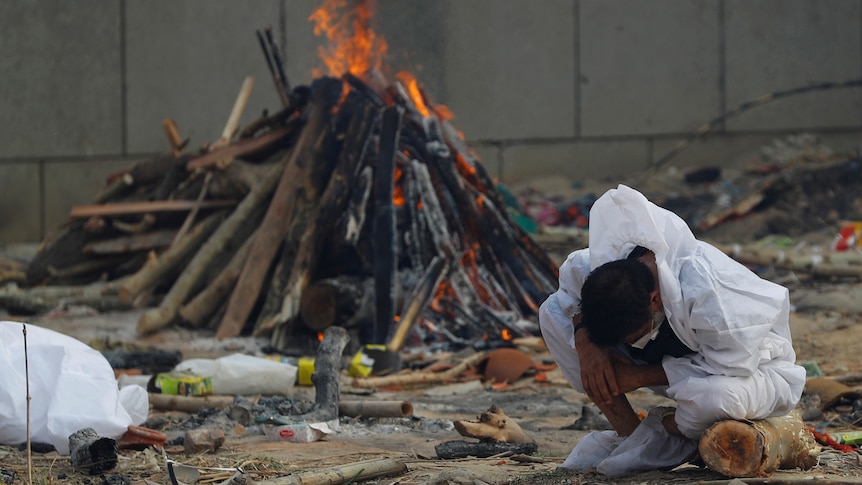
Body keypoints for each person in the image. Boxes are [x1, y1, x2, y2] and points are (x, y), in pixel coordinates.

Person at [539, 184, 806, 476]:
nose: (630, 345)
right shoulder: (597, 267)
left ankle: (668, 432)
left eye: (634, 337)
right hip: (674, 367)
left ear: (655, 300)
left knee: (718, 399)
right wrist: (586, 341)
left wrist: (638, 376)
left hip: (753, 372)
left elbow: (724, 369)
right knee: (552, 314)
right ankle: (630, 433)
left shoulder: (714, 302)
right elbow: (568, 294)